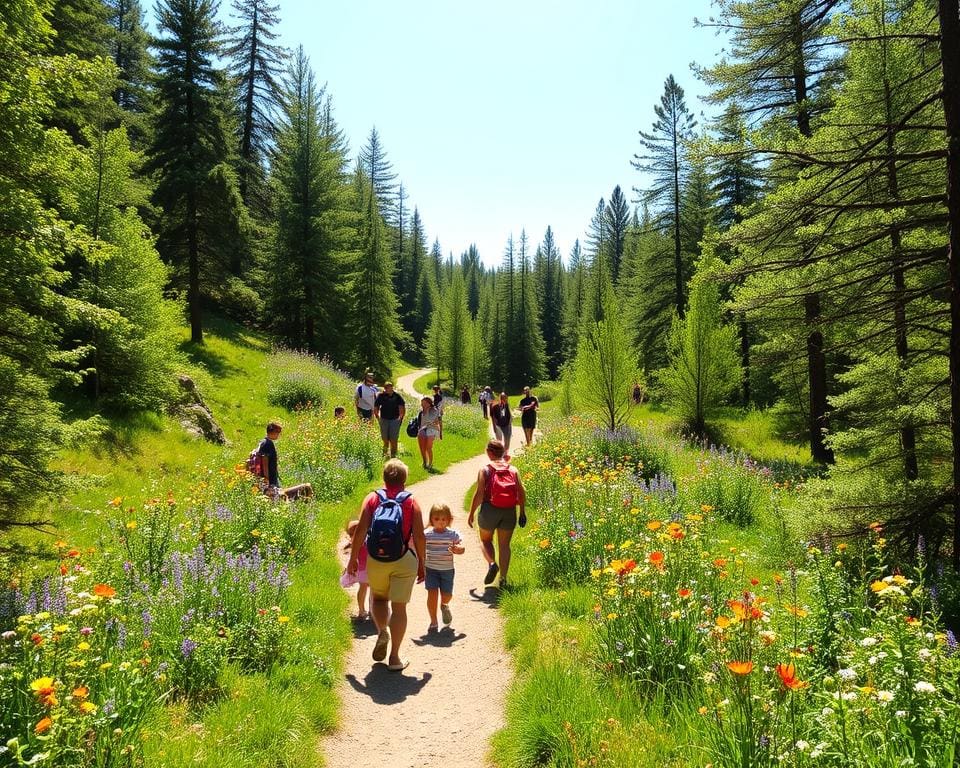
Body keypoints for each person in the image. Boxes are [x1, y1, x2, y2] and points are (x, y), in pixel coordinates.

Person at [347, 459, 425, 671]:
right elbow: (419, 536)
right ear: (405, 480)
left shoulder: (372, 499)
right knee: (399, 608)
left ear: (384, 478)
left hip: (376, 559)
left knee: (379, 599)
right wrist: (422, 564)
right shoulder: (411, 501)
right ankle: (395, 658)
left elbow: (361, 531)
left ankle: (383, 630)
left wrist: (353, 559)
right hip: (403, 559)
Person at [468, 439, 526, 590]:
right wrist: (522, 513)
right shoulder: (513, 470)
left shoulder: (485, 470)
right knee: (505, 546)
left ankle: (492, 564)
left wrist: (471, 513)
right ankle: (503, 580)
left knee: (485, 541)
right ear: (503, 452)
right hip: (509, 511)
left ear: (489, 452)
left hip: (489, 510)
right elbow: (521, 491)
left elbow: (479, 494)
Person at [423, 503, 465, 631]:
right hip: (431, 569)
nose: (440, 522)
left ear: (449, 520)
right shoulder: (427, 535)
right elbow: (417, 544)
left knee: (447, 595)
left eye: (443, 519)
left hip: (447, 570)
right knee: (432, 593)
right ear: (431, 520)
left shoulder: (453, 535)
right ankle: (433, 621)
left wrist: (458, 549)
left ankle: (444, 605)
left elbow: (462, 547)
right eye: (436, 519)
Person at [256, 421, 313, 501]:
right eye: (278, 432)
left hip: (271, 481)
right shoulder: (267, 444)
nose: (279, 435)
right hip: (270, 482)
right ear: (273, 432)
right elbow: (264, 461)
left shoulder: (263, 442)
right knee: (306, 487)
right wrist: (266, 479)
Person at [342, 520, 371, 621]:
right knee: (373, 590)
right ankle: (371, 610)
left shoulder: (354, 542)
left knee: (363, 588)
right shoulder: (366, 539)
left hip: (361, 569)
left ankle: (362, 610)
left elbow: (353, 557)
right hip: (370, 568)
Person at [374, 381, 406, 458]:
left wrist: (400, 418)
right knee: (385, 439)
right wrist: (377, 416)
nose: (390, 389)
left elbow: (402, 407)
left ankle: (393, 455)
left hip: (394, 420)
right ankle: (385, 454)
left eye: (391, 388)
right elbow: (376, 407)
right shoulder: (381, 396)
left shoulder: (397, 396)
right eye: (388, 388)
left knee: (393, 439)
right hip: (384, 419)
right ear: (385, 389)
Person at [417, 396, 443, 469]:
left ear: (429, 403)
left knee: (428, 447)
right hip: (422, 430)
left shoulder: (434, 410)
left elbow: (437, 421)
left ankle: (430, 463)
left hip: (431, 430)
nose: (422, 404)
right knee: (422, 448)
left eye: (424, 403)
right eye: (422, 403)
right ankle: (425, 462)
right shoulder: (421, 412)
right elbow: (420, 422)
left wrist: (440, 433)